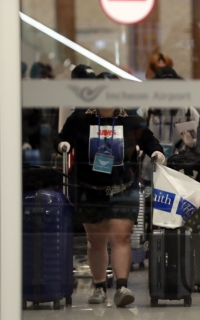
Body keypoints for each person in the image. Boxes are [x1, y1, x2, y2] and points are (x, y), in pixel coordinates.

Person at [56, 107, 165, 307]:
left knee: (121, 236)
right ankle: (99, 287)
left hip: (123, 187)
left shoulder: (132, 119)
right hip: (89, 189)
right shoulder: (80, 118)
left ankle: (122, 286)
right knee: (96, 240)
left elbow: (148, 140)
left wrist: (156, 152)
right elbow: (64, 137)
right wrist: (63, 144)